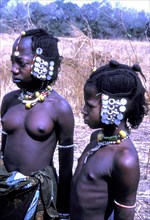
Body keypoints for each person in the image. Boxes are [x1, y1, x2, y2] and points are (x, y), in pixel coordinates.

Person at [0, 29, 74, 219]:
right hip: (3, 187)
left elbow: (66, 169)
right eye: (12, 62)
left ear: (42, 64)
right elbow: (3, 148)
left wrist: (64, 210)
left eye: (21, 63)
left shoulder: (60, 108)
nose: (13, 69)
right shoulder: (9, 101)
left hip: (36, 194)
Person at [70, 60, 148, 220]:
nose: (82, 110)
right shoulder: (97, 139)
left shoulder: (125, 159)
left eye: (89, 106)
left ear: (112, 106)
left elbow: (124, 214)